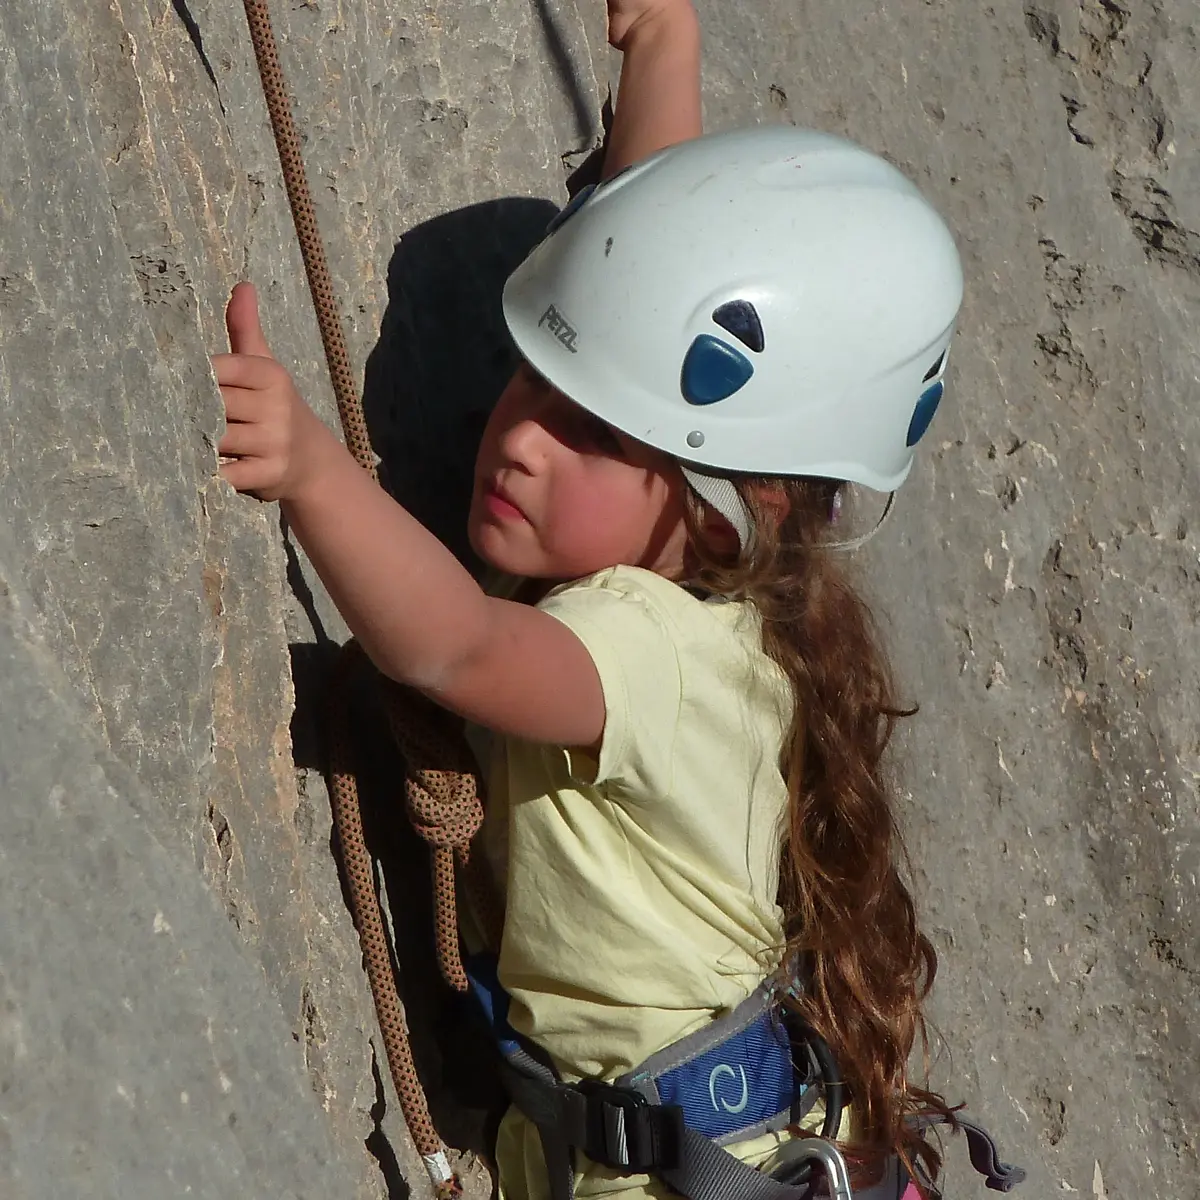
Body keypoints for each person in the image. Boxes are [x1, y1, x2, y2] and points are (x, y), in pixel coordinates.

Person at [212, 1, 980, 1197]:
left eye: (590, 429)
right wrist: (664, 49)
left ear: (737, 500)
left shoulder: (652, 648)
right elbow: (642, 251)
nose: (521, 437)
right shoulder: (712, 588)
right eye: (532, 378)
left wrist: (314, 473)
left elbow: (459, 652)